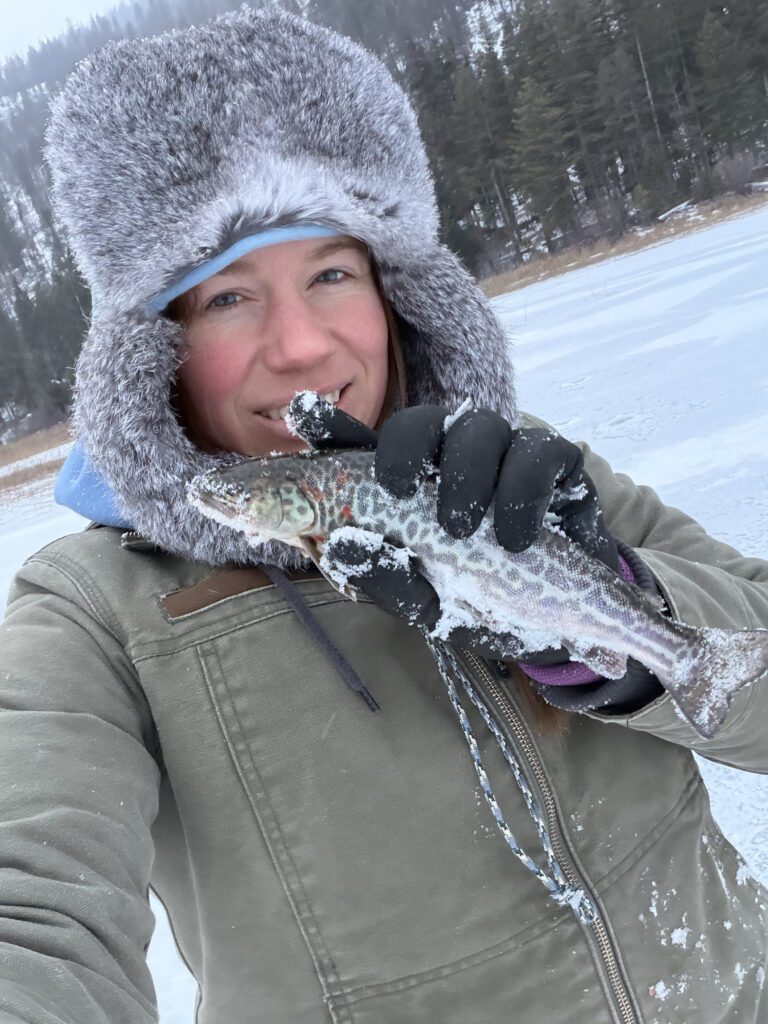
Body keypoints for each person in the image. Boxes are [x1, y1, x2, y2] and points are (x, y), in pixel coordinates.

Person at [1, 7, 767, 1023]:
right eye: (228, 297)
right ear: (157, 347)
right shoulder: (93, 613)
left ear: (394, 294)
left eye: (331, 273)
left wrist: (619, 626)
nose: (304, 346)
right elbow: (35, 908)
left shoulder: (530, 472)